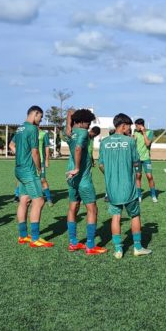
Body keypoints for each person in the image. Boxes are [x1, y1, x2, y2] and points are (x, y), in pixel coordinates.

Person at [99, 113, 152, 259]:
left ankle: (118, 250)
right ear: (123, 126)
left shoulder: (104, 142)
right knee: (135, 215)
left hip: (112, 188)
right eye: (129, 126)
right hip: (128, 186)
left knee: (115, 217)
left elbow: (101, 165)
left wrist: (110, 174)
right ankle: (137, 247)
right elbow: (136, 162)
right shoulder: (129, 142)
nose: (130, 129)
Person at [65, 109, 105, 255]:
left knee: (73, 208)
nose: (89, 125)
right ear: (81, 121)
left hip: (70, 177)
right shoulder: (82, 133)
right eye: (87, 122)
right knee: (92, 209)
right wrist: (77, 167)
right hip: (82, 178)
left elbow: (69, 112)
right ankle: (90, 245)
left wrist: (70, 116)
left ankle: (73, 242)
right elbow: (77, 149)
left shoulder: (69, 132)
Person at [14, 105, 53, 248]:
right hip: (29, 170)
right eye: (40, 117)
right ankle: (35, 238)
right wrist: (38, 168)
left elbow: (12, 145)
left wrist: (21, 155)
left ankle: (23, 236)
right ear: (35, 114)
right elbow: (35, 152)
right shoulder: (32, 129)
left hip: (19, 169)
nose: (40, 120)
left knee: (24, 200)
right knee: (39, 201)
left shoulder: (20, 128)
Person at [133, 118, 158, 203]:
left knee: (149, 176)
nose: (135, 127)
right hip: (137, 159)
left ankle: (153, 195)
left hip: (146, 158)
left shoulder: (150, 132)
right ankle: (139, 196)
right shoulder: (135, 132)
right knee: (138, 176)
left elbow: (147, 143)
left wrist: (143, 133)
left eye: (136, 125)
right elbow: (133, 143)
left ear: (141, 125)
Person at [38, 128, 54, 206]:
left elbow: (47, 148)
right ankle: (18, 196)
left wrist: (47, 160)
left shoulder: (43, 134)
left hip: (40, 161)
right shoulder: (30, 132)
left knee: (42, 180)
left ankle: (49, 199)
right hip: (30, 162)